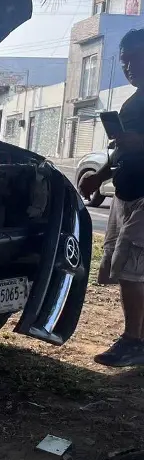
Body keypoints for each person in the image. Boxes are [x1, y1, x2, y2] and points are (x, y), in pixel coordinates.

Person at [80, 27, 144, 367]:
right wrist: (98, 178)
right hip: (126, 194)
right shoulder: (134, 101)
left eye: (136, 59)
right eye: (125, 62)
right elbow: (122, 150)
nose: (130, 67)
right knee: (126, 267)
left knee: (134, 269)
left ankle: (134, 341)